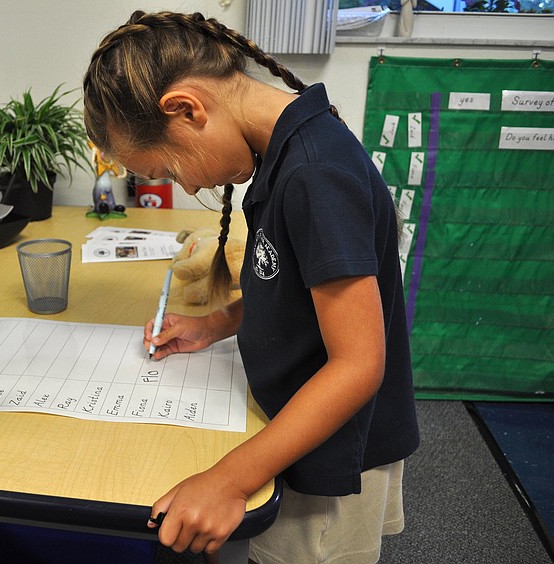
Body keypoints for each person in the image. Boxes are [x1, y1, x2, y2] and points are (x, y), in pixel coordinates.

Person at [83, 10, 419, 563]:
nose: (187, 184)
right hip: (295, 423)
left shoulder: (315, 174)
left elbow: (359, 364)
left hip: (335, 454)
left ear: (187, 109)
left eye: (169, 168)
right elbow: (288, 281)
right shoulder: (281, 149)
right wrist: (214, 324)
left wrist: (229, 481)